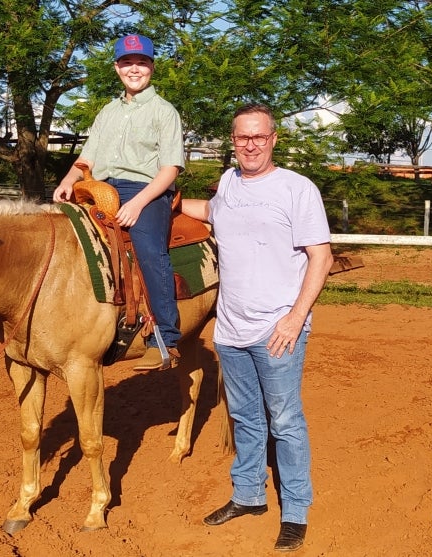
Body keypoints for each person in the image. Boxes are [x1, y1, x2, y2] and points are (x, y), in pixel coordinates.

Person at [181, 103, 334, 552]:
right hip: (230, 330)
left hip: (278, 329)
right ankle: (248, 495)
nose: (251, 144)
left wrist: (295, 317)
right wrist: (155, 198)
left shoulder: (296, 189)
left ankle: (296, 511)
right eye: (242, 137)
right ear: (233, 141)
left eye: (259, 136)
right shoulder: (228, 183)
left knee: (285, 421)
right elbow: (210, 209)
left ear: (273, 140)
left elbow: (320, 257)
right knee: (245, 416)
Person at [53, 34, 185, 371]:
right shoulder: (107, 112)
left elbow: (170, 168)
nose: (134, 69)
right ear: (116, 68)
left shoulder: (164, 112)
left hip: (146, 189)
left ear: (152, 67)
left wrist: (139, 203)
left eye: (141, 62)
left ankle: (164, 338)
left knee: (149, 250)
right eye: (127, 62)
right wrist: (68, 181)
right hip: (98, 187)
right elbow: (87, 158)